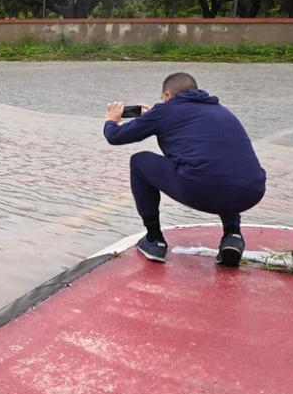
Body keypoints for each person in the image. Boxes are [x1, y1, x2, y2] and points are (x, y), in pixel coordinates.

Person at [103, 72, 266, 267]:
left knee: (139, 162)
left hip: (200, 188)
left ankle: (154, 240)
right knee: (224, 165)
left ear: (167, 95)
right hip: (252, 191)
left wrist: (111, 120)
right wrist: (154, 116)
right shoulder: (221, 111)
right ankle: (233, 236)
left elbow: (115, 136)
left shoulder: (164, 112)